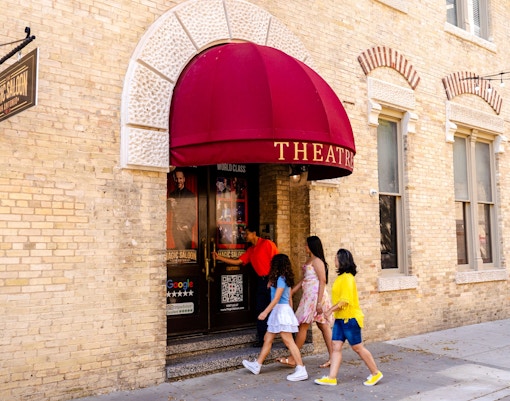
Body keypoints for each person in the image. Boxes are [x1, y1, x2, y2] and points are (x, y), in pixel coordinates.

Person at [314, 248, 383, 387]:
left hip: (350, 319)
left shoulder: (347, 278)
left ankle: (376, 373)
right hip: (340, 319)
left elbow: (344, 301)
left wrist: (328, 311)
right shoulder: (341, 278)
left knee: (357, 347)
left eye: (336, 258)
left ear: (342, 260)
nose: (334, 260)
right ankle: (331, 377)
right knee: (336, 347)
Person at [242, 254, 308, 382]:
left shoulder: (281, 280)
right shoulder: (282, 279)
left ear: (276, 265)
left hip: (280, 311)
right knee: (268, 338)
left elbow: (277, 298)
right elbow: (289, 298)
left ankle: (301, 369)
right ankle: (257, 365)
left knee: (288, 341)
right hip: (280, 311)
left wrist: (265, 312)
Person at [212, 226, 278, 346]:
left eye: (246, 234)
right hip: (261, 281)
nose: (244, 236)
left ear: (254, 233)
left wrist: (273, 279)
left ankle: (290, 339)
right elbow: (239, 262)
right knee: (260, 309)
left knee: (278, 309)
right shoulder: (251, 250)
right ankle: (262, 340)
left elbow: (277, 262)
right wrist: (219, 257)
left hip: (272, 280)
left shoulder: (267, 244)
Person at [277, 235, 333, 368]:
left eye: (306, 245)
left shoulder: (317, 261)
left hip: (315, 297)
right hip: (308, 296)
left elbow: (322, 281)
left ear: (312, 246)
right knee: (322, 326)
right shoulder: (310, 260)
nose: (305, 247)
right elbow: (305, 279)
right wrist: (293, 290)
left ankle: (293, 358)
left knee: (304, 325)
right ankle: (333, 357)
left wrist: (319, 302)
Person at [168, 169, 196, 249]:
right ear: (174, 179)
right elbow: (166, 212)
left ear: (184, 179)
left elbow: (193, 214)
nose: (178, 181)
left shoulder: (190, 195)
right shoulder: (172, 194)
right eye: (176, 179)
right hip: (175, 231)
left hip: (186, 232)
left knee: (187, 256)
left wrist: (187, 225)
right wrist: (168, 203)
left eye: (180, 178)